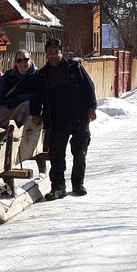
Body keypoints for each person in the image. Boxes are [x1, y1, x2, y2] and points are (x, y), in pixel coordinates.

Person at [30, 39, 97, 199]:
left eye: (56, 51)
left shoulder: (73, 68)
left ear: (61, 52)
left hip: (79, 118)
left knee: (79, 153)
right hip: (56, 121)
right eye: (50, 51)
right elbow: (37, 96)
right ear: (46, 54)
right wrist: (35, 113)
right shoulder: (42, 74)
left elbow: (89, 86)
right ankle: (58, 187)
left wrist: (92, 107)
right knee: (56, 155)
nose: (53, 54)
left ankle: (78, 184)